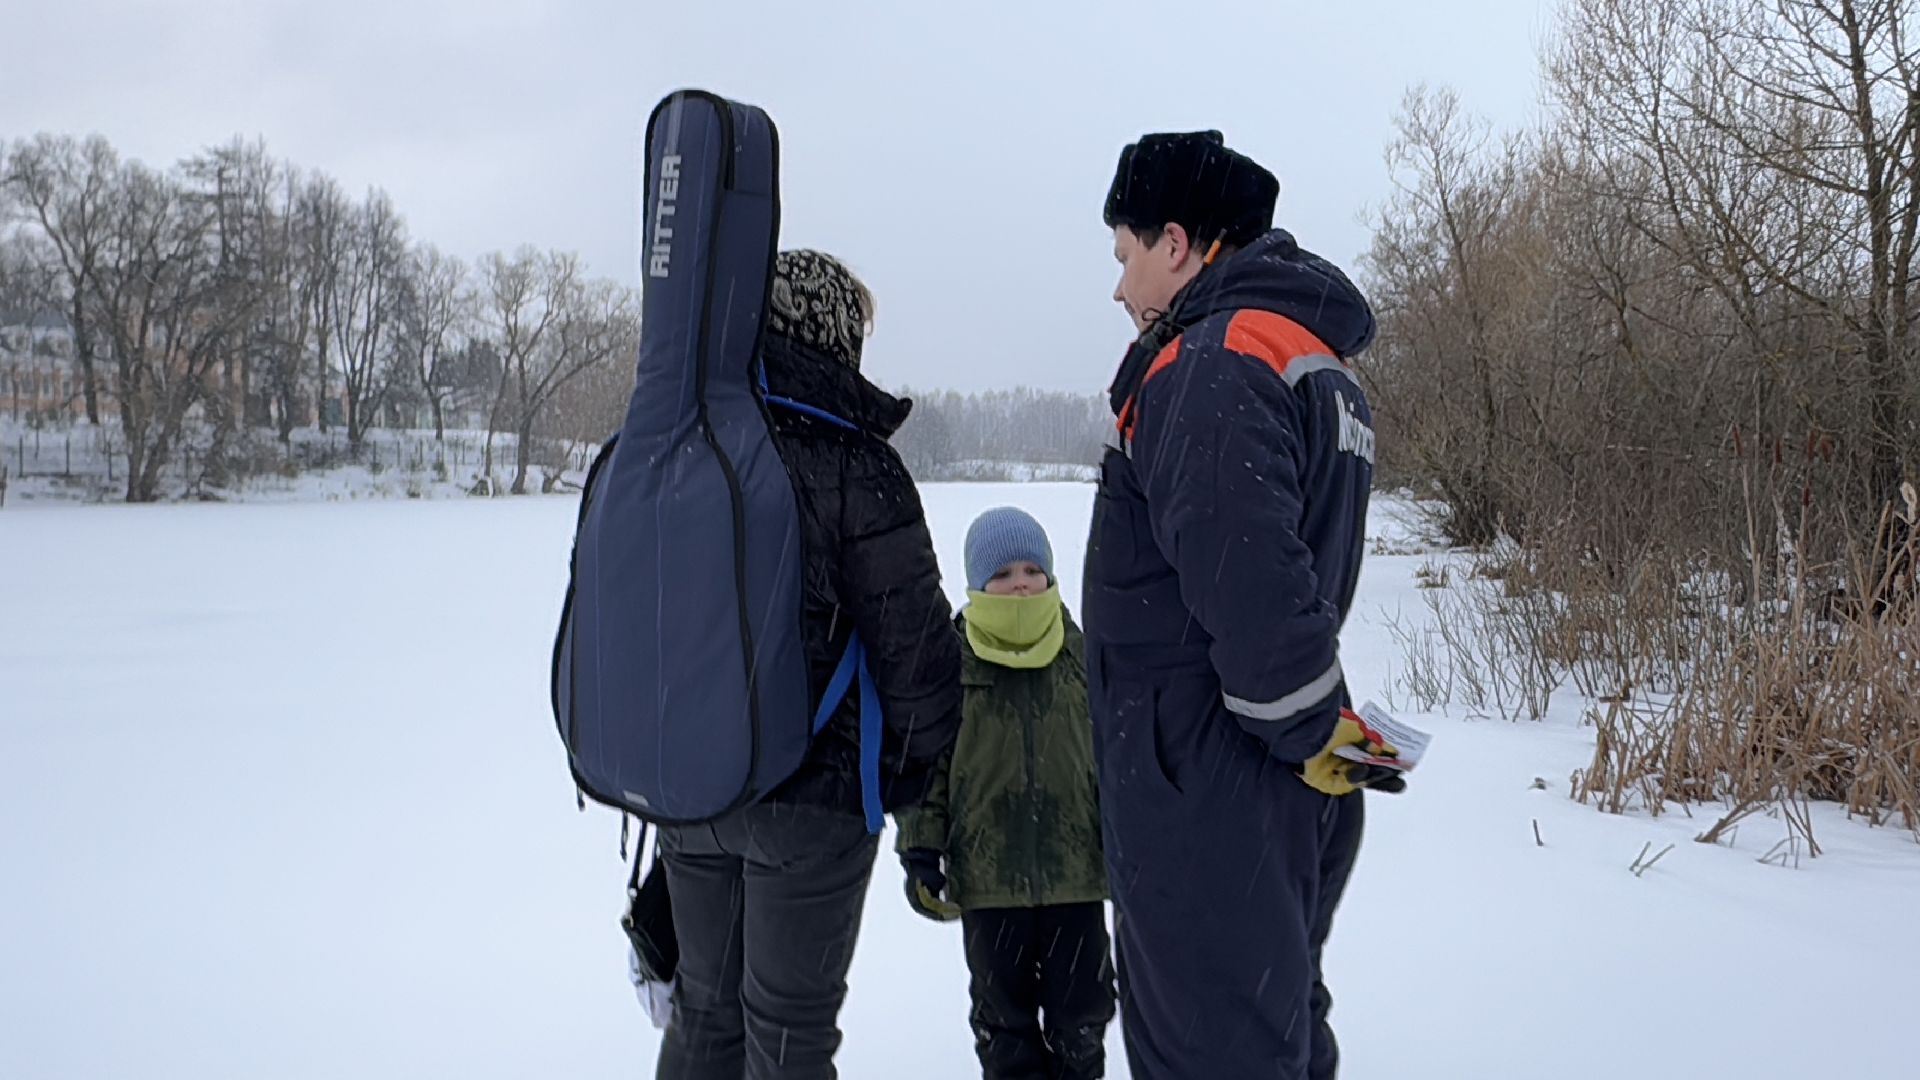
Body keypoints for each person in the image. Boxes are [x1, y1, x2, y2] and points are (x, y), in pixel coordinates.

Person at [1082, 130, 1403, 1080]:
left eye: (1125, 253)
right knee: (1272, 1023)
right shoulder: (1306, 354)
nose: (1119, 288)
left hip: (1204, 780)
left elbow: (1252, 587)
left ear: (1176, 243)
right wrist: (1326, 736)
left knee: (1213, 1048)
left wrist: (1311, 727)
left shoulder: (1210, 362)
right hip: (1258, 773)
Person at [655, 249, 964, 1080]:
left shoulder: (688, 444)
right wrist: (899, 778)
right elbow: (921, 663)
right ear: (835, 338)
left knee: (702, 1010)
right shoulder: (859, 467)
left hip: (692, 792)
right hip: (814, 798)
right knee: (788, 1035)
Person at [895, 506, 1117, 1080]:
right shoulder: (952, 658)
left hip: (1077, 874)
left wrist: (1134, 839)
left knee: (1084, 1015)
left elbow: (1117, 758)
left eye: (1030, 568)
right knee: (1004, 1022)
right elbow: (927, 765)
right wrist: (921, 849)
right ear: (976, 584)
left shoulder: (1080, 654)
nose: (1020, 582)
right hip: (989, 879)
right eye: (1001, 573)